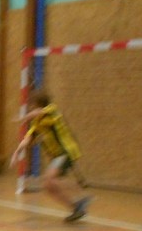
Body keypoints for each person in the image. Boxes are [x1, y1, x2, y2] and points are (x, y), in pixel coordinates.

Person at [10, 90, 92, 222]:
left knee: (49, 179)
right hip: (57, 155)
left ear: (37, 104)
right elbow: (28, 139)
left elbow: (38, 112)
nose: (31, 107)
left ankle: (82, 194)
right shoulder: (37, 123)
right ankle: (76, 207)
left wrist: (23, 118)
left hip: (66, 151)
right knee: (48, 185)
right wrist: (17, 152)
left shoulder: (52, 110)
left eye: (32, 104)